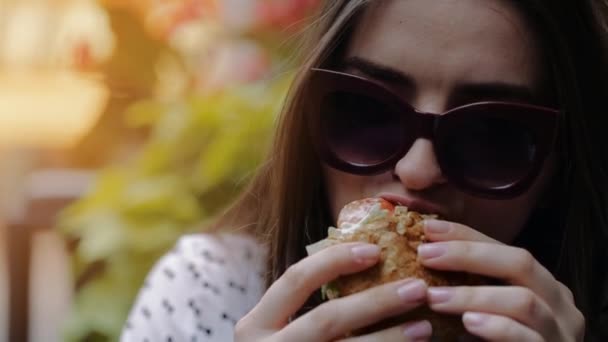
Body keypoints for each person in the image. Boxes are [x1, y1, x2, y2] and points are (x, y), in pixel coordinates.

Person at [120, 0, 608, 340]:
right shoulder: (210, 293)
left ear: (560, 163)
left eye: (491, 135)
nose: (417, 170)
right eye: (367, 112)